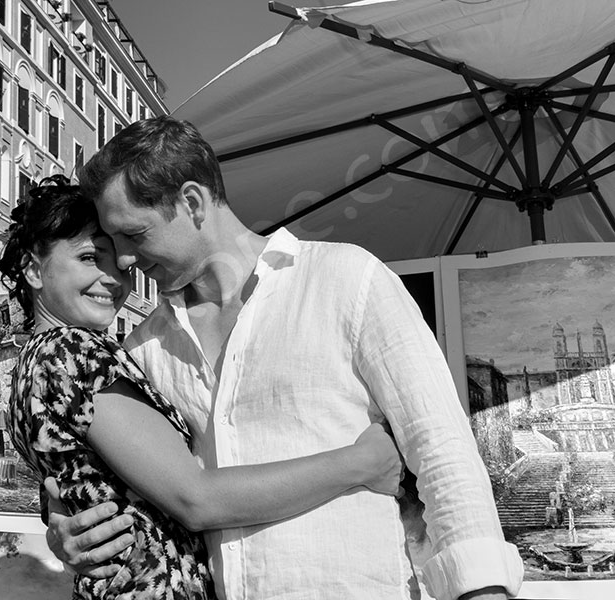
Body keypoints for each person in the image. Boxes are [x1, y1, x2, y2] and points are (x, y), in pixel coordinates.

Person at [45, 116, 525, 600]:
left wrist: (482, 590)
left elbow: (441, 446)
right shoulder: (142, 350)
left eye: (134, 234)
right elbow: (133, 487)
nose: (123, 260)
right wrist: (64, 529)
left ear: (191, 203)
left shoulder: (346, 278)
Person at [0, 176, 405, 599]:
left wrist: (58, 520)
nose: (113, 280)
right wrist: (360, 463)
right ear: (32, 269)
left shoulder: (29, 368)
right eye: (88, 257)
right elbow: (196, 498)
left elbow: (74, 477)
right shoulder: (72, 351)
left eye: (119, 264)